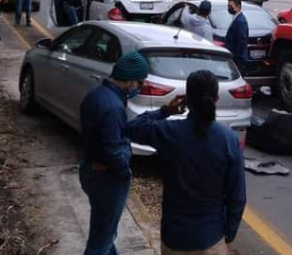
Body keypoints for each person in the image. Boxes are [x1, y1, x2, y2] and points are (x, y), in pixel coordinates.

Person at [126, 70, 246, 255]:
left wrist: (165, 110)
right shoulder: (228, 140)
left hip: (174, 237)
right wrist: (228, 234)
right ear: (216, 99)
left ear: (186, 100)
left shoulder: (168, 132)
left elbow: (132, 128)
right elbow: (237, 196)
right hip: (211, 239)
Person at [79, 52, 152, 255]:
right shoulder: (113, 107)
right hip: (106, 178)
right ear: (129, 81)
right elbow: (113, 149)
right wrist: (124, 172)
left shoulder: (97, 96)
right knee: (100, 242)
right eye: (140, 82)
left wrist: (163, 112)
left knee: (105, 231)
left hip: (91, 171)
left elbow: (123, 130)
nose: (140, 87)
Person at [223, 0, 249, 67]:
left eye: (231, 6)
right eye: (228, 6)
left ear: (238, 7)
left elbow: (241, 41)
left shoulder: (240, 21)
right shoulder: (236, 19)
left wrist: (235, 56)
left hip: (238, 60)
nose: (229, 8)